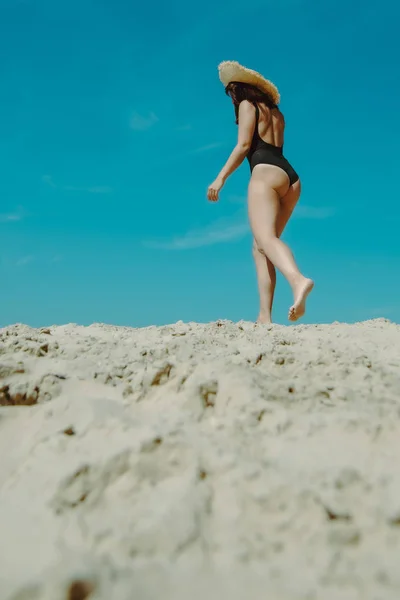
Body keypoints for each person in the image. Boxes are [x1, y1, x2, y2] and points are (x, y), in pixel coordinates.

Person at [207, 61, 314, 323]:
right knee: (262, 246)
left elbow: (244, 145)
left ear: (240, 90)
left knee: (266, 239)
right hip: (290, 178)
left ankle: (298, 280)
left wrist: (220, 179)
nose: (231, 97)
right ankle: (264, 317)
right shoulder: (277, 113)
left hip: (265, 172)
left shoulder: (247, 106)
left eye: (232, 91)